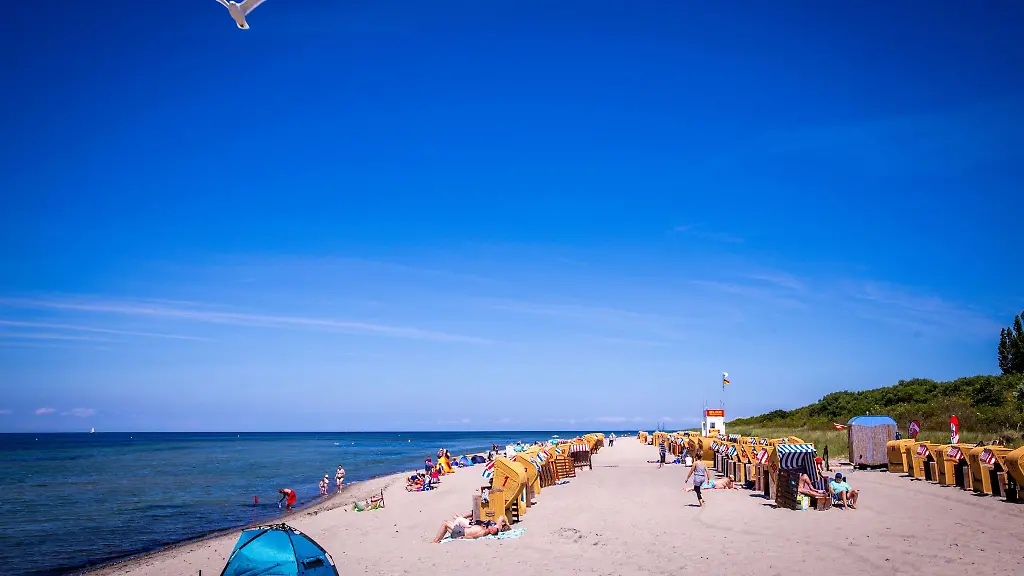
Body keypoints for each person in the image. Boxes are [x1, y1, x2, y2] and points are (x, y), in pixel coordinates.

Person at [432, 513, 509, 543]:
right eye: (493, 527)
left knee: (445, 523)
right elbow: (502, 517)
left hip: (462, 532)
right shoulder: (485, 529)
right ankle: (437, 540)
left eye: (492, 529)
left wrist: (463, 537)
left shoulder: (484, 532)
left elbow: (473, 537)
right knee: (446, 525)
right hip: (461, 530)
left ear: (491, 532)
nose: (492, 527)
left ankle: (435, 541)